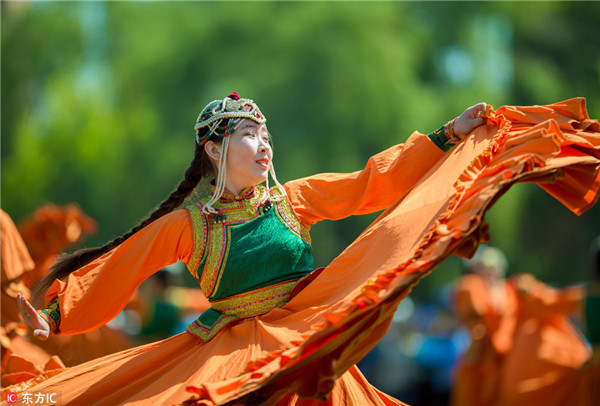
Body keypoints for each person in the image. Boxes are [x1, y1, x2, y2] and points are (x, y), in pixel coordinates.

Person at [4, 93, 600, 405]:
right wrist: (56, 314)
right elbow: (122, 268)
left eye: (264, 134)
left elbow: (375, 183)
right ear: (215, 151)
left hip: (308, 340)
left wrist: (448, 136)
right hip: (233, 355)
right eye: (247, 134)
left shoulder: (295, 198)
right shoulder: (190, 224)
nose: (262, 145)